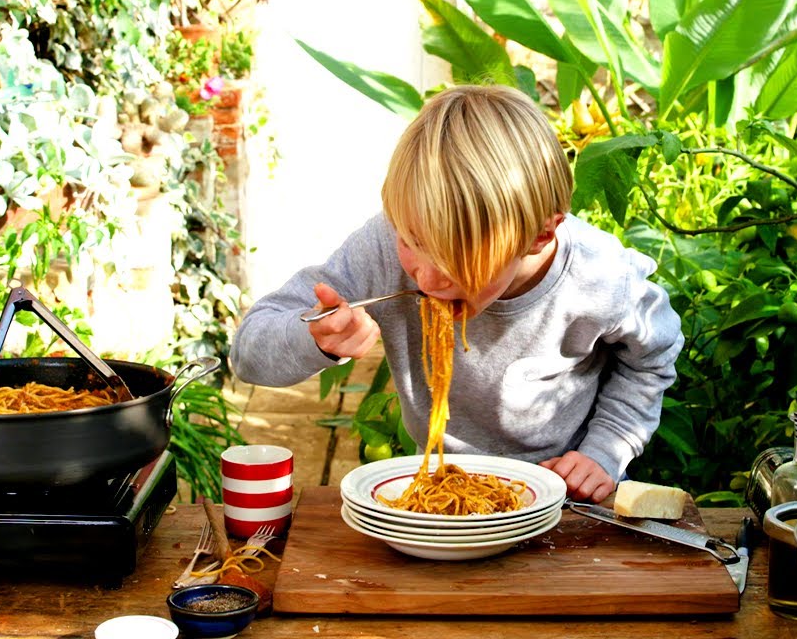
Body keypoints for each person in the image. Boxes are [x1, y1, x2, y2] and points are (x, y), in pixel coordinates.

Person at [230, 84, 684, 502]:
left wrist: (604, 451)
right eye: (413, 242)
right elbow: (249, 354)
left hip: (566, 499)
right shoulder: (384, 246)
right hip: (436, 492)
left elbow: (652, 358)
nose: (425, 277)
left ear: (539, 237)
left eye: (456, 260)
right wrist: (315, 338)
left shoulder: (599, 275)